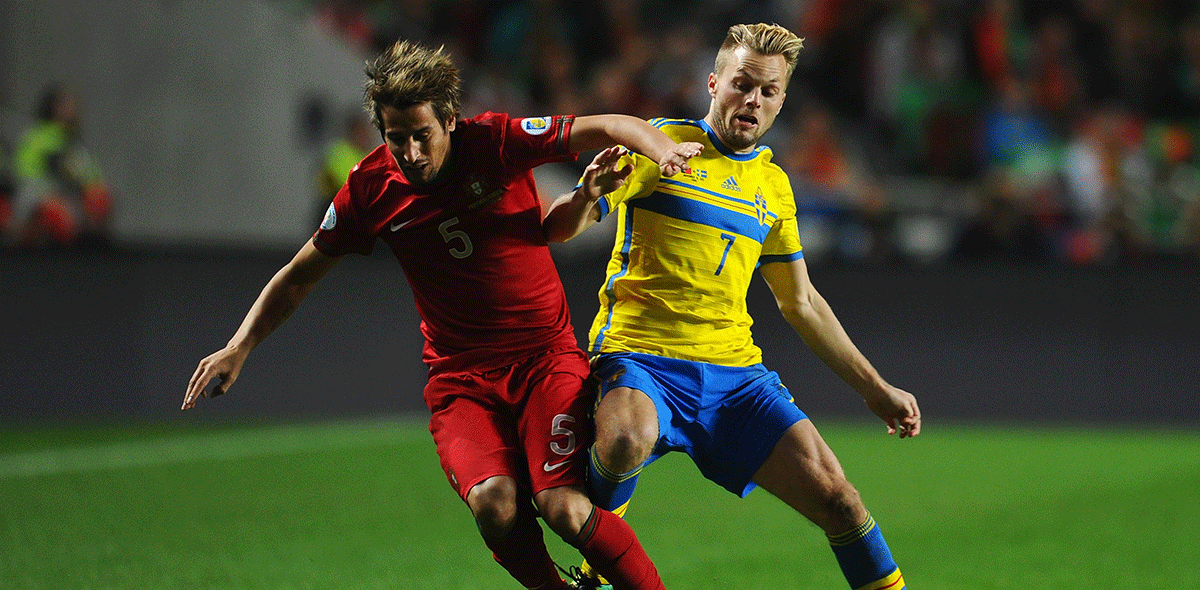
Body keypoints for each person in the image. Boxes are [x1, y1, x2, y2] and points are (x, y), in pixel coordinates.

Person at [182, 40, 701, 590]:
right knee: (494, 505)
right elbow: (299, 274)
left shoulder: (495, 142)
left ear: (450, 120)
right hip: (461, 381)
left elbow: (610, 124)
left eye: (420, 135)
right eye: (395, 137)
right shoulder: (368, 188)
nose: (408, 151)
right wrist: (240, 345)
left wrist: (662, 149)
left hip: (545, 361)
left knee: (564, 509)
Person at [543, 24, 921, 590]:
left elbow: (802, 302)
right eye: (743, 84)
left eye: (768, 91)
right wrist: (586, 195)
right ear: (714, 83)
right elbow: (557, 230)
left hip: (735, 378)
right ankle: (596, 566)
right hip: (639, 358)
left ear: (781, 101)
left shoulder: (772, 186)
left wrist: (874, 389)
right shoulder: (657, 142)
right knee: (625, 438)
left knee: (841, 501)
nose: (753, 100)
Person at [11, 85, 113, 248]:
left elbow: (91, 177)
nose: (74, 109)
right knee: (57, 213)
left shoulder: (74, 143)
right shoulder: (36, 137)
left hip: (70, 197)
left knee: (100, 198)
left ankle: (94, 248)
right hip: (39, 199)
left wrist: (94, 192)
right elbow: (26, 177)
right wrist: (51, 195)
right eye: (67, 104)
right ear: (54, 107)